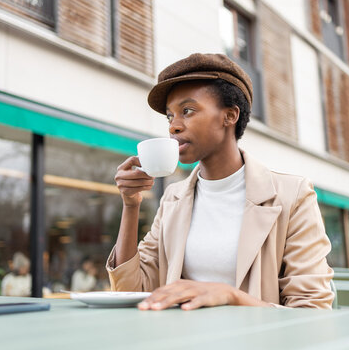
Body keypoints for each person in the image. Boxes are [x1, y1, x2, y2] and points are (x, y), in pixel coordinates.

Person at [107, 53, 334, 310]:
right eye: (170, 117)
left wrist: (230, 296)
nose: (173, 127)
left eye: (187, 111)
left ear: (230, 116)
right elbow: (131, 292)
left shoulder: (293, 196)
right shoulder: (173, 198)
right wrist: (130, 205)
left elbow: (312, 311)